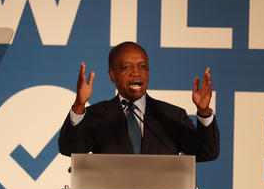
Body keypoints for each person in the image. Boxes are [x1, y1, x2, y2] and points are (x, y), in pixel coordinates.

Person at [58, 41, 219, 161]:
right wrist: (79, 105)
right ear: (112, 75)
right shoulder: (97, 115)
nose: (136, 73)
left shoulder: (171, 115)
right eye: (127, 67)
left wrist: (204, 112)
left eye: (142, 67)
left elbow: (207, 152)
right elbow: (70, 149)